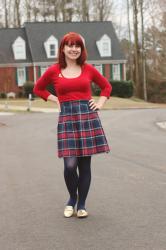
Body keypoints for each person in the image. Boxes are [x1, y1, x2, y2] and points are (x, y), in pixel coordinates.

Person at [33, 32, 112, 219]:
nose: (74, 49)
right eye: (70, 45)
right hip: (67, 119)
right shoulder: (54, 70)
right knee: (70, 165)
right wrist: (55, 100)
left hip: (87, 118)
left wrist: (100, 103)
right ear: (63, 48)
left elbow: (106, 87)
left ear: (81, 49)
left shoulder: (88, 69)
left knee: (85, 165)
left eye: (77, 46)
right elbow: (38, 88)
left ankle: (82, 204)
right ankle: (72, 198)